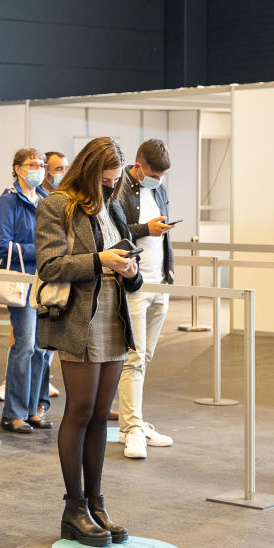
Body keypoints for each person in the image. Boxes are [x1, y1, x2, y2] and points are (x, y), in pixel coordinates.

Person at [35, 137, 142, 547]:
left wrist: (129, 268)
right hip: (79, 318)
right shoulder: (56, 205)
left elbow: (128, 270)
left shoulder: (111, 205)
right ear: (89, 171)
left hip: (113, 314)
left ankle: (96, 503)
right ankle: (73, 507)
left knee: (101, 414)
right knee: (78, 411)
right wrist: (101, 260)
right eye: (105, 180)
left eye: (114, 182)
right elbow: (50, 265)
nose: (111, 188)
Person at [115, 139, 177, 459]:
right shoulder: (120, 188)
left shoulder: (160, 189)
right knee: (134, 358)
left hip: (159, 283)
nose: (159, 180)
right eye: (154, 174)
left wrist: (169, 270)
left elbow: (165, 236)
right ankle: (131, 428)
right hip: (135, 286)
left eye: (163, 175)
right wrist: (145, 229)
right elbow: (114, 231)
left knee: (145, 356)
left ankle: (135, 420)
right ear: (139, 166)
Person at [0, 147, 54, 435]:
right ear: (17, 168)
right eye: (32, 164)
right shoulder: (7, 202)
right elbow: (2, 246)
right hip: (21, 284)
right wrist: (40, 252)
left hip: (48, 283)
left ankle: (35, 409)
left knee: (43, 349)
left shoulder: (46, 200)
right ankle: (13, 413)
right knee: (25, 345)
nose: (38, 169)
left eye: (41, 164)